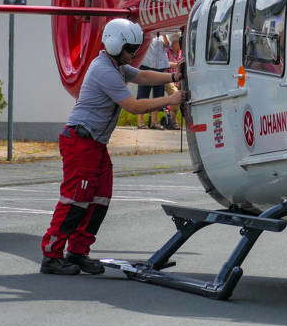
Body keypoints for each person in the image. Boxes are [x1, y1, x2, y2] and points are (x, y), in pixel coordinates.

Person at [40, 19, 183, 276]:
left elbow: (142, 75)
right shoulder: (104, 69)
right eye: (130, 50)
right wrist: (171, 98)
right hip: (80, 141)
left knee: (100, 198)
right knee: (75, 200)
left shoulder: (116, 65)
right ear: (116, 45)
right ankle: (51, 256)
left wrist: (175, 75)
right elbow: (134, 106)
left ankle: (78, 251)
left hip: (94, 142)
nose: (133, 55)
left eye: (136, 50)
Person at [137, 31, 171, 129]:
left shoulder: (163, 34)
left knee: (158, 95)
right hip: (146, 65)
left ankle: (154, 122)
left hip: (160, 66)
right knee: (143, 94)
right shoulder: (146, 33)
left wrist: (163, 33)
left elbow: (168, 44)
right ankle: (140, 121)